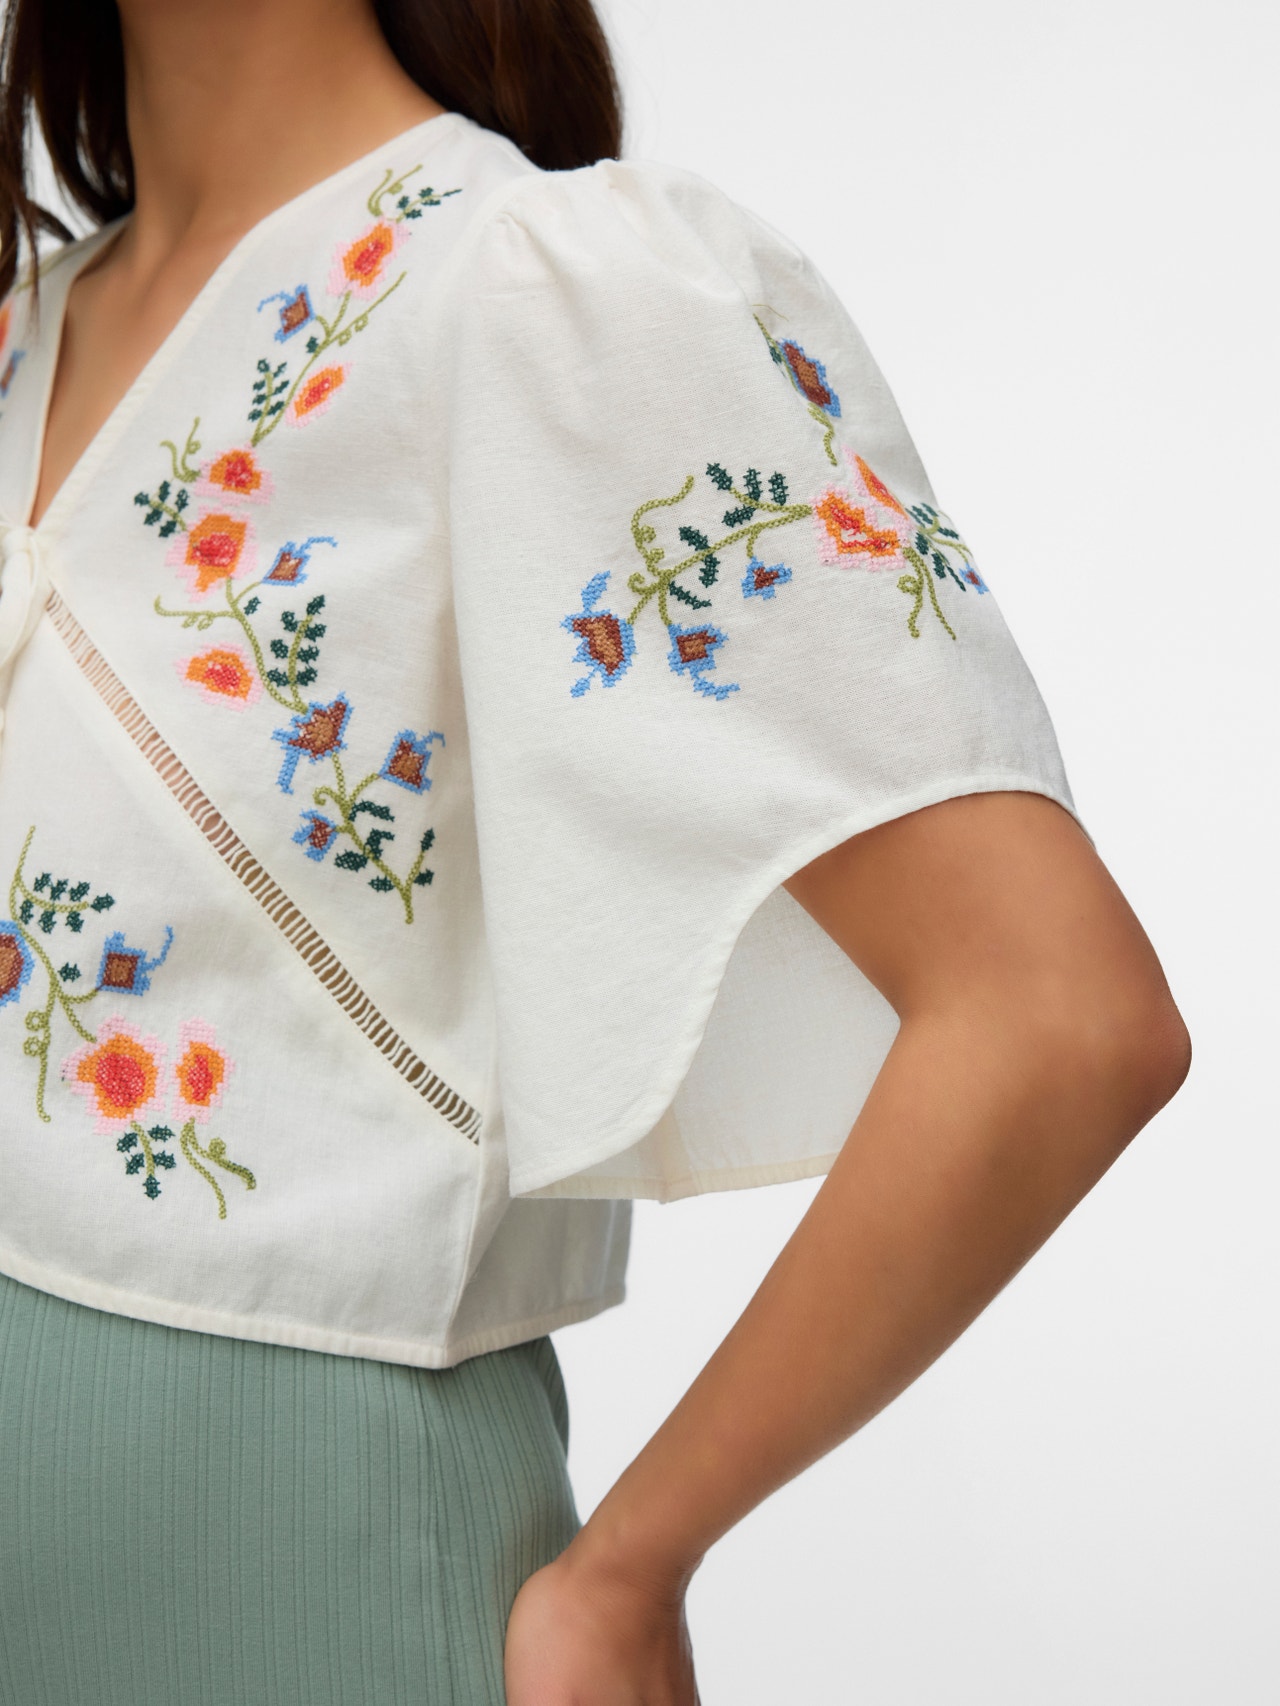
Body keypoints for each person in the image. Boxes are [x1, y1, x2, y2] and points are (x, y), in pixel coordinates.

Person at [0, 0, 1190, 1701]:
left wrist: (632, 1568)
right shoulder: (24, 329)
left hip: (297, 1568)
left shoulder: (530, 285)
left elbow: (1057, 1012)